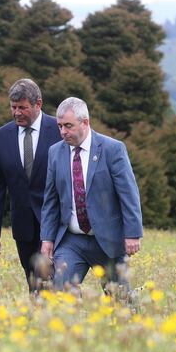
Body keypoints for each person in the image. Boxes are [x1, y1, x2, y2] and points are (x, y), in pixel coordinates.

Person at [40, 97, 142, 297]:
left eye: (68, 126)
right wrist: (47, 238)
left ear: (85, 122)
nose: (63, 132)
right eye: (60, 126)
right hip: (71, 241)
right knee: (60, 295)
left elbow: (128, 194)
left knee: (121, 302)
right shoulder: (55, 152)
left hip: (108, 240)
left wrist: (132, 233)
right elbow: (50, 200)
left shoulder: (112, 149)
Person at [0, 78, 62, 293]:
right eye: (13, 107)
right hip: (23, 225)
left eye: (22, 108)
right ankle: (38, 323)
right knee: (34, 284)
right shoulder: (1, 137)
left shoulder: (59, 130)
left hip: (55, 222)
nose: (17, 112)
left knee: (50, 281)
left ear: (38, 104)